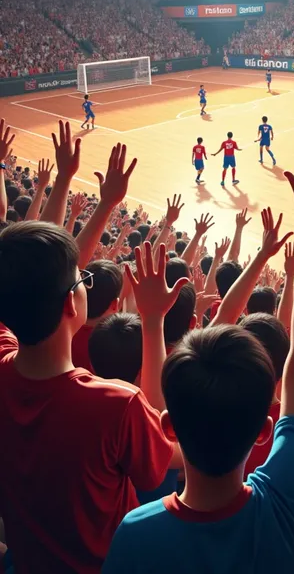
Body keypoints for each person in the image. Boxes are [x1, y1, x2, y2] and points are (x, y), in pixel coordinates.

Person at [103, 136, 294, 573]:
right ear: (264, 430)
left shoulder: (135, 533)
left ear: (168, 427)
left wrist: (154, 321)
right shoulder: (287, 499)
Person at [0, 222, 174, 574]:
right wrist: (153, 320)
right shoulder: (117, 404)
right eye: (83, 280)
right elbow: (161, 464)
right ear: (70, 302)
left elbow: (26, 274)